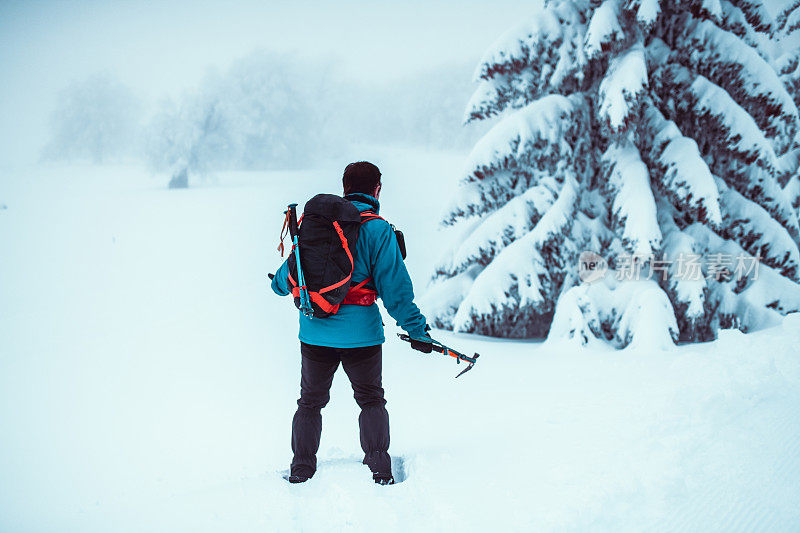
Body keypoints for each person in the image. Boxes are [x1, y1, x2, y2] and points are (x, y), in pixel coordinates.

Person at [270, 161, 433, 485]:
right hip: (363, 336)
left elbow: (282, 281)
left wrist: (280, 283)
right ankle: (378, 465)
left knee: (310, 402)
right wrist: (417, 330)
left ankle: (302, 467)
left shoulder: (317, 225)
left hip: (315, 331)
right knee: (371, 398)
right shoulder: (378, 229)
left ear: (345, 187)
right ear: (377, 189)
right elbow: (396, 291)